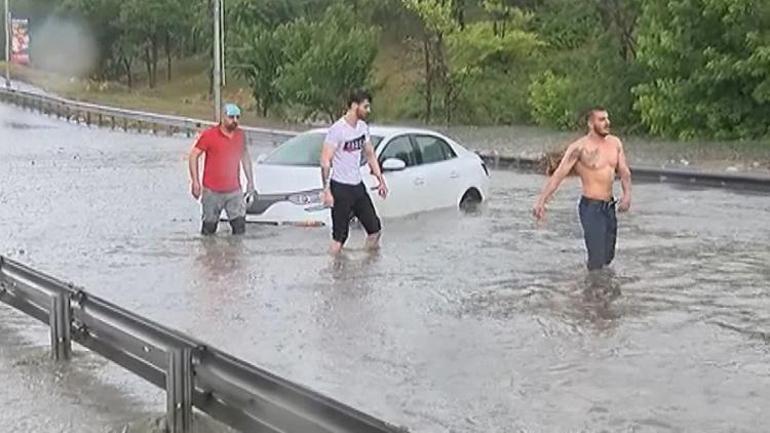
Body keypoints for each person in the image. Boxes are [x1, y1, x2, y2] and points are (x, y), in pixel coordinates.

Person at [532, 107, 632, 270]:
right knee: (597, 259)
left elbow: (625, 172)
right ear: (591, 123)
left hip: (609, 207)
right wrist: (541, 201)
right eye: (601, 120)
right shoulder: (579, 148)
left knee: (608, 257)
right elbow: (558, 175)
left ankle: (600, 286)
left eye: (607, 119)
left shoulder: (615, 143)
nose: (607, 123)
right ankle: (591, 292)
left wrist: (627, 195)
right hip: (591, 207)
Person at [320, 88, 388, 255]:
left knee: (375, 231)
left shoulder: (363, 128)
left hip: (357, 187)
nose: (368, 110)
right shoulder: (337, 130)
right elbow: (325, 161)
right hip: (340, 188)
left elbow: (370, 154)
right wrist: (327, 191)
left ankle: (363, 271)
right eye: (365, 107)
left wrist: (380, 180)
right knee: (339, 239)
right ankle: (333, 274)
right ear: (354, 105)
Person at [188, 103, 255, 235]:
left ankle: (235, 255)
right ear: (223, 117)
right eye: (231, 117)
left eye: (237, 117)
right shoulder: (209, 135)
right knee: (209, 230)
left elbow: (245, 157)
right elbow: (193, 156)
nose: (235, 121)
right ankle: (210, 254)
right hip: (212, 191)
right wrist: (195, 181)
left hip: (234, 191)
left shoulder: (240, 136)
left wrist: (250, 182)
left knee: (240, 228)